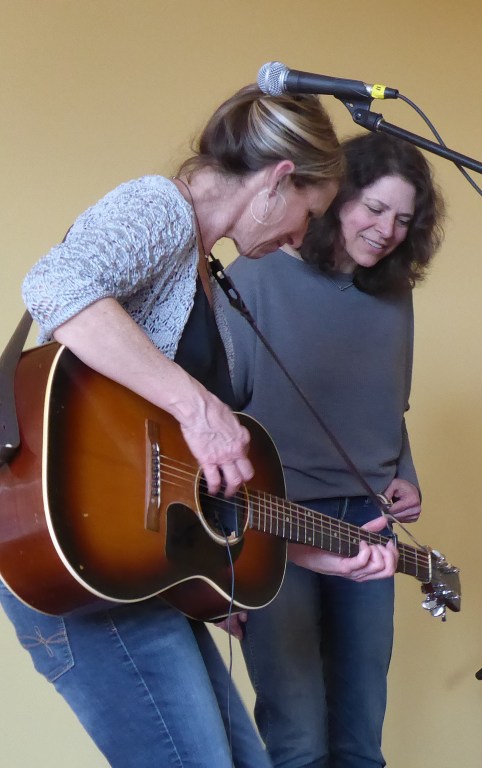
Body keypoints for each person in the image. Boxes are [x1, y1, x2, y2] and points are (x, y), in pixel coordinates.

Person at [1, 83, 397, 767]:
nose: (302, 235)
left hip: (131, 576)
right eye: (308, 212)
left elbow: (177, 479)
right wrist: (198, 405)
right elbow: (54, 285)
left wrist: (305, 552)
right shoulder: (160, 207)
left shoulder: (206, 273)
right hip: (77, 574)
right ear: (277, 180)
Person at [222, 131, 444, 767]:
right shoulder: (254, 275)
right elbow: (217, 418)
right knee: (297, 742)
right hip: (275, 521)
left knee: (360, 742)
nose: (386, 231)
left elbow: (389, 404)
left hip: (368, 524)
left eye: (403, 220)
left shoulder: (394, 294)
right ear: (334, 197)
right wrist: (226, 553)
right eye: (374, 208)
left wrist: (405, 473)